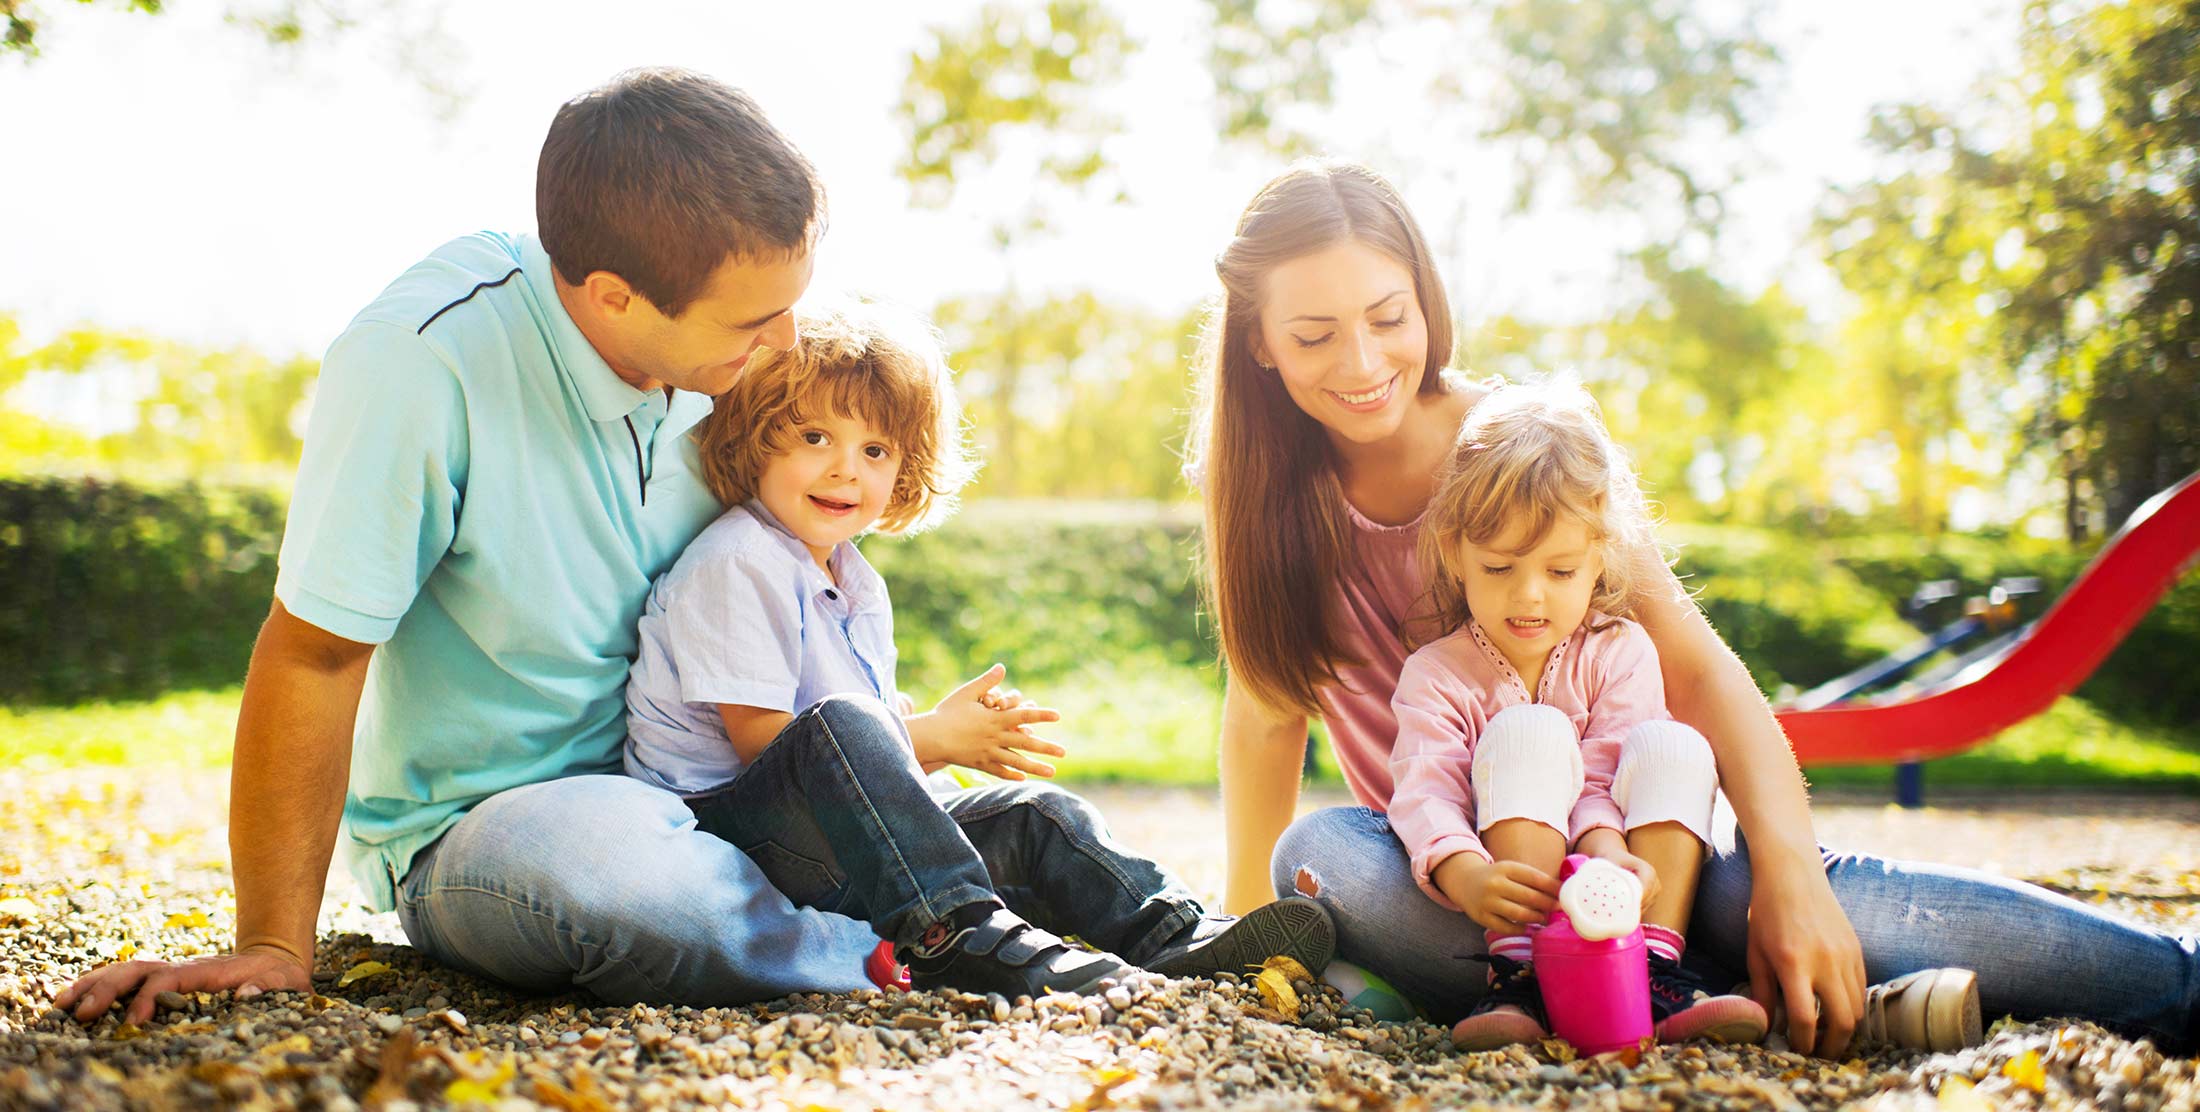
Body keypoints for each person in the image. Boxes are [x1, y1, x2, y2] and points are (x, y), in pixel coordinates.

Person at [1187, 159, 2200, 1056]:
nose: (1362, 363)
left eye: (1387, 316)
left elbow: (1698, 667)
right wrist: (1241, 928)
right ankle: (1717, 997)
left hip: (1637, 859)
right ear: (1261, 342)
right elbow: (1267, 711)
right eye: (1315, 334)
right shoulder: (1269, 506)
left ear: (1426, 301)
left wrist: (1790, 876)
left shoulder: (1514, 444)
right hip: (1461, 885)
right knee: (1321, 861)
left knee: (1745, 894)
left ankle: (2175, 979)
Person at [58, 68, 890, 1025]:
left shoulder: (723, 346)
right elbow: (318, 650)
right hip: (503, 827)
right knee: (627, 884)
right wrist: (274, 944)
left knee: (992, 824)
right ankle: (883, 945)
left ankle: (939, 896)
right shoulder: (420, 361)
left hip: (702, 785)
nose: (789, 343)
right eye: (753, 321)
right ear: (615, 298)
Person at [623, 301, 1336, 998]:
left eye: (875, 451)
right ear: (755, 438)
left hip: (838, 838)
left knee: (1037, 815)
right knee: (847, 722)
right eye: (815, 438)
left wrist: (925, 738)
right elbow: (768, 744)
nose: (847, 470)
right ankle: (953, 935)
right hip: (738, 832)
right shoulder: (738, 560)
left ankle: (1182, 939)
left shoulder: (853, 579)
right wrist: (929, 737)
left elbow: (857, 759)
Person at [1385, 382, 1770, 1050]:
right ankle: (1520, 976)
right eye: (1499, 567)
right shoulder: (1436, 674)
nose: (1529, 596)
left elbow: (1608, 773)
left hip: (1620, 887)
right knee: (1530, 733)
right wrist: (1467, 874)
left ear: (1599, 558)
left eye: (1560, 571)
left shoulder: (1619, 650)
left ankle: (1651, 968)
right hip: (1510, 899)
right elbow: (1425, 792)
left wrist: (1607, 853)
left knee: (1674, 747)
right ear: (1455, 554)